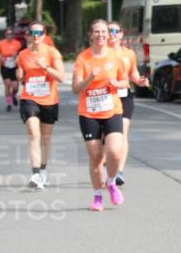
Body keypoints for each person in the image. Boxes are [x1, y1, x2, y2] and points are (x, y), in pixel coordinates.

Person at [72, 19, 128, 211]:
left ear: (108, 34)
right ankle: (97, 197)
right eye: (97, 32)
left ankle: (111, 182)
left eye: (104, 31)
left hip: (112, 110)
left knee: (114, 152)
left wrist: (117, 83)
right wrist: (90, 78)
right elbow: (75, 88)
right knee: (96, 157)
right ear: (91, 35)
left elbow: (125, 82)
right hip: (89, 113)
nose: (101, 35)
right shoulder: (83, 59)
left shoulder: (115, 56)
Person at [16, 20, 64, 189]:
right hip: (29, 97)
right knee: (33, 133)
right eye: (33, 33)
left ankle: (43, 170)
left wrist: (47, 68)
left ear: (44, 35)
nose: (36, 36)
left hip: (49, 100)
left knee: (45, 138)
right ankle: (35, 174)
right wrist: (20, 75)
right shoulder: (22, 55)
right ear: (28, 35)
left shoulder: (52, 53)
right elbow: (22, 77)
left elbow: (61, 77)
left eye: (39, 33)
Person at [108, 22, 148, 186]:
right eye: (110, 31)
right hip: (106, 98)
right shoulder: (103, 54)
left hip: (124, 96)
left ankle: (119, 171)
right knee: (108, 137)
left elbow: (134, 74)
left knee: (122, 133)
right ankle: (108, 165)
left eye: (116, 31)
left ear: (121, 34)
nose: (112, 34)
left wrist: (140, 81)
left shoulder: (128, 54)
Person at [0, 26, 22, 111]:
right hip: (5, 66)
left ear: (13, 35)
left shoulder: (17, 43)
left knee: (15, 87)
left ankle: (13, 95)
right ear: (5, 35)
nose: (9, 35)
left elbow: (21, 54)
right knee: (7, 84)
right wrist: (1, 58)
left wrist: (16, 56)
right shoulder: (1, 44)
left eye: (11, 34)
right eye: (7, 34)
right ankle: (9, 103)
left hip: (14, 66)